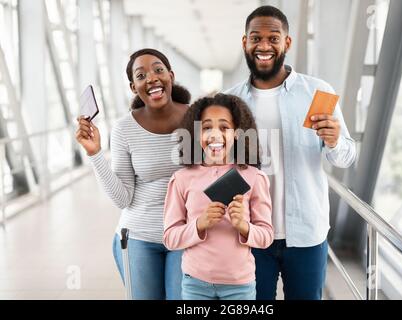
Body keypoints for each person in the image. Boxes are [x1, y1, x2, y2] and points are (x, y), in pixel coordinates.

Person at [226, 6, 357, 300]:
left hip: (307, 235)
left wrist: (335, 141)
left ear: (287, 42)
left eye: (273, 37)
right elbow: (222, 168)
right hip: (251, 234)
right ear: (244, 42)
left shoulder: (316, 92)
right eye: (255, 37)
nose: (263, 45)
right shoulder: (230, 101)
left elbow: (346, 157)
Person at [75, 48, 191, 299]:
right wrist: (95, 153)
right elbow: (122, 199)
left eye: (158, 70)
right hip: (139, 237)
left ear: (171, 75)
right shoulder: (124, 128)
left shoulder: (198, 118)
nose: (151, 78)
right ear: (133, 87)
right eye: (141, 75)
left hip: (186, 234)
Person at [163, 94, 274, 300]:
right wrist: (199, 224)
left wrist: (244, 225)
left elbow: (266, 237)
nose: (215, 135)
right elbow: (170, 238)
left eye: (224, 127)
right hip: (194, 284)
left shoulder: (254, 177)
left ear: (237, 134)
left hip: (240, 286)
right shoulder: (181, 179)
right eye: (206, 128)